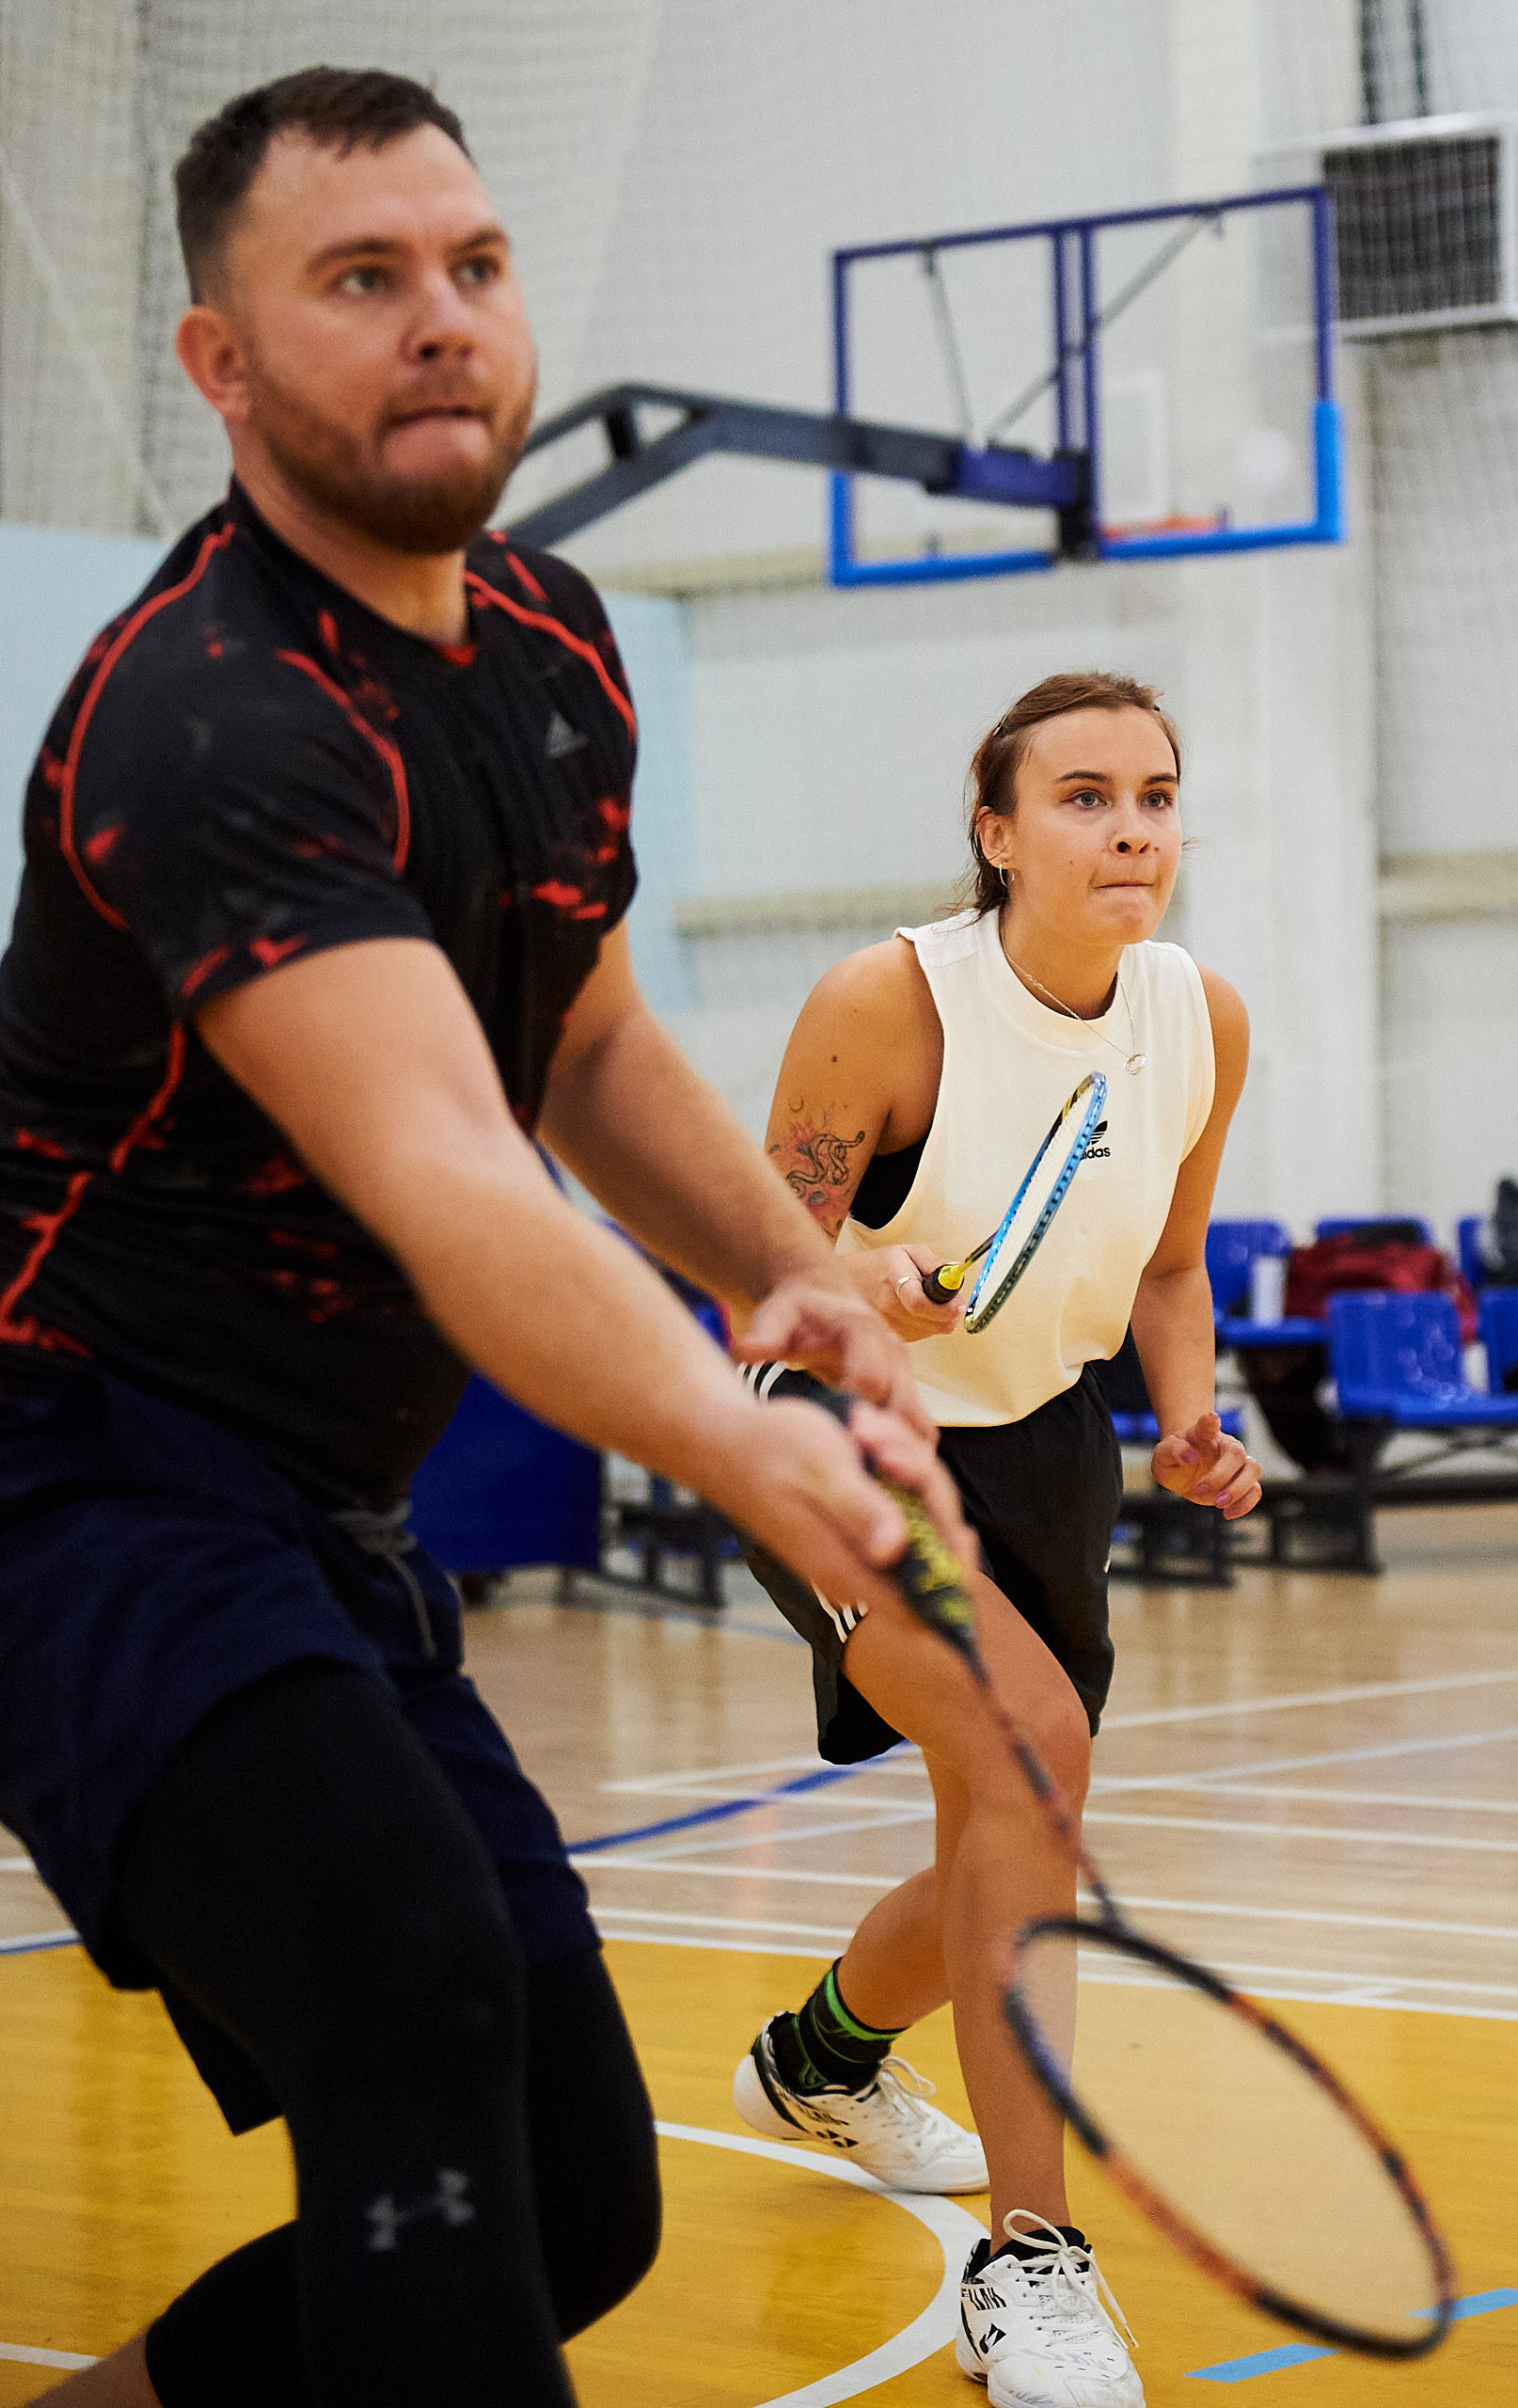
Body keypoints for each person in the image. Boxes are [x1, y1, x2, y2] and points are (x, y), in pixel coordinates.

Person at [0, 68, 966, 2408]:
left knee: (567, 2183)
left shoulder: (548, 638)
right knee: (411, 1991)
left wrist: (790, 1271)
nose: (442, 319)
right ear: (223, 362)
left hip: (313, 1503)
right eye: (361, 279)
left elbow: (582, 1037)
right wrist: (736, 1438)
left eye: (475, 265)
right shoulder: (210, 716)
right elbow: (446, 1170)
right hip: (71, 1478)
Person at [730, 672, 1263, 2408]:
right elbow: (753, 1269)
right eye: (1085, 797)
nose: (1133, 831)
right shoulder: (885, 1005)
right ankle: (1030, 2262)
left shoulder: (1199, 1018)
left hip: (1039, 1437)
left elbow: (1170, 1266)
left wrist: (1188, 1417)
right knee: (1034, 1753)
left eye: (1156, 797)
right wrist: (855, 1279)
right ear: (998, 832)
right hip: (839, 1429)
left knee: (1011, 1814)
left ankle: (820, 2058)